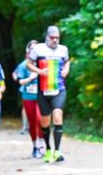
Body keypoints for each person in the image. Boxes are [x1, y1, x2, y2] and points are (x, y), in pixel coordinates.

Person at [27, 25, 70, 163]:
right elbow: (29, 63)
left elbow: (67, 62)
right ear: (47, 37)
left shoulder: (63, 49)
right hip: (43, 90)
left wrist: (66, 71)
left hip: (59, 89)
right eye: (53, 38)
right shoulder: (38, 49)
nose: (55, 40)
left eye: (57, 38)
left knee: (57, 116)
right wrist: (39, 72)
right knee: (45, 122)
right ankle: (48, 149)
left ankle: (57, 151)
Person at [14, 40, 44, 158]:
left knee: (40, 119)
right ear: (28, 51)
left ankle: (42, 144)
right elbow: (20, 81)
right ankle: (35, 146)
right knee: (32, 122)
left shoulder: (43, 63)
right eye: (32, 49)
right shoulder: (23, 65)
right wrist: (31, 78)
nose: (34, 51)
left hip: (41, 96)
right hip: (28, 96)